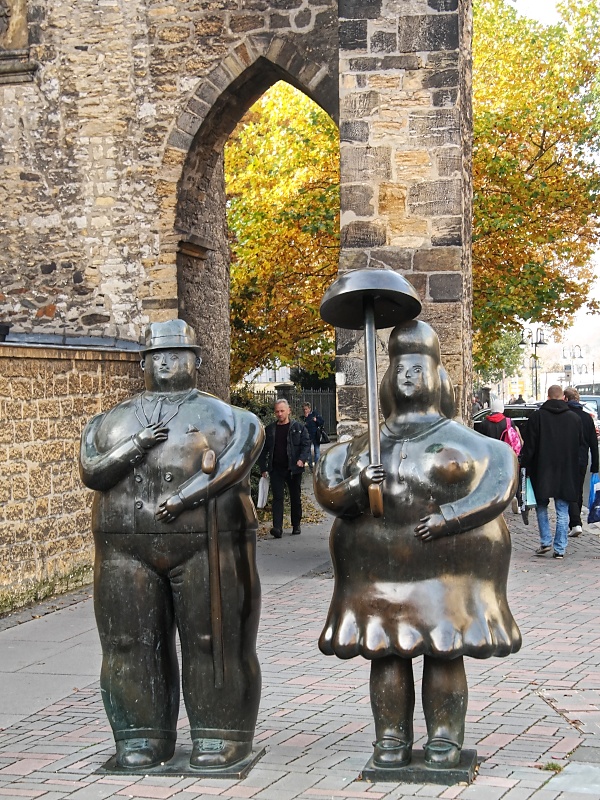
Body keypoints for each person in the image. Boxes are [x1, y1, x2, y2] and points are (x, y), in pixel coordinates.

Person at [314, 320, 521, 770]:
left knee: (444, 652)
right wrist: (355, 487)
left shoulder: (469, 443)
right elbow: (328, 491)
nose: (408, 376)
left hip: (448, 576)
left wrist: (449, 518)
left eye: (417, 368)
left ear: (437, 376)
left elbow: (500, 481)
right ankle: (390, 739)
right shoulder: (362, 446)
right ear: (388, 378)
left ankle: (445, 739)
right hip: (379, 578)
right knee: (386, 653)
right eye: (400, 368)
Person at [80, 320, 264, 771]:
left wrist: (186, 497)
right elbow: (93, 471)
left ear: (196, 361)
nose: (164, 363)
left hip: (207, 543)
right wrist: (135, 446)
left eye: (176, 354)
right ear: (143, 362)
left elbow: (236, 464)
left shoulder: (234, 418)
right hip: (125, 545)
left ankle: (220, 731)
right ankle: (141, 732)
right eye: (156, 356)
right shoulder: (107, 422)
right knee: (129, 642)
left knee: (214, 639)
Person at [520, 385, 583, 559]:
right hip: (566, 470)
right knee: (562, 508)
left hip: (542, 468)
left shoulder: (537, 417)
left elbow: (530, 446)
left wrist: (524, 464)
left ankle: (545, 541)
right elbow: (580, 445)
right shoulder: (574, 418)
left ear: (547, 397)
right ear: (563, 397)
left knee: (541, 505)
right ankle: (560, 548)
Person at [259, 399, 310, 538]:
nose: (279, 414)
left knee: (295, 497)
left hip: (293, 469)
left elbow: (306, 445)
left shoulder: (298, 428)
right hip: (276, 469)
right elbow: (263, 450)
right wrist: (263, 467)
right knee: (278, 498)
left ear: (289, 411)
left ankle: (296, 524)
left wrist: (301, 459)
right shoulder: (270, 430)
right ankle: (277, 528)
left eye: (282, 411)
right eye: (277, 411)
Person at [564, 387, 599, 537]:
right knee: (578, 489)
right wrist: (595, 464)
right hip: (582, 459)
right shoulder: (586, 417)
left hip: (567, 458)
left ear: (566, 399)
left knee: (568, 491)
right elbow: (593, 443)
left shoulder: (566, 416)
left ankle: (575, 522)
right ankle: (576, 521)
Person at [478, 396, 522, 513]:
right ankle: (514, 496)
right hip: (505, 453)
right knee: (510, 475)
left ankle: (494, 501)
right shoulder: (508, 421)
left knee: (492, 478)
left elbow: (481, 441)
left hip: (491, 455)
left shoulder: (484, 423)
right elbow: (513, 438)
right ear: (502, 409)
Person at [302, 402, 325, 470]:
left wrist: (316, 420)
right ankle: (310, 465)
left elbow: (322, 421)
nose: (305, 411)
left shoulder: (315, 414)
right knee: (308, 451)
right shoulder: (303, 417)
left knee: (317, 450)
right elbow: (302, 426)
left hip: (315, 435)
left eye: (306, 409)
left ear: (309, 409)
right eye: (304, 409)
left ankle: (317, 465)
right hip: (307, 436)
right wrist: (305, 418)